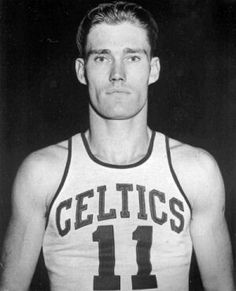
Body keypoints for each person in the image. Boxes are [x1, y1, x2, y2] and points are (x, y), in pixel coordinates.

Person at [0, 1, 235, 291]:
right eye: (102, 58)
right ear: (81, 70)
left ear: (154, 69)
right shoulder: (41, 173)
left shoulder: (197, 171)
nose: (117, 73)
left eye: (133, 57)